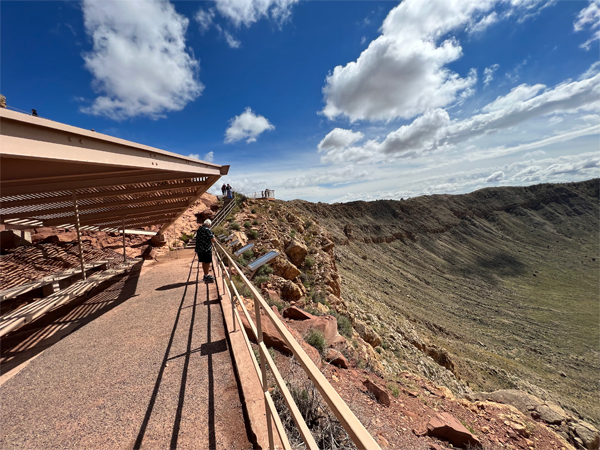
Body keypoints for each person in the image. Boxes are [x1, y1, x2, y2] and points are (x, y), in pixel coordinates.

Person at [195, 217, 215, 283]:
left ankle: (205, 274)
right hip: (206, 249)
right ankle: (206, 275)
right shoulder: (207, 229)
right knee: (207, 262)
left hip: (199, 249)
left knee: (203, 262)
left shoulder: (199, 229)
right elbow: (212, 239)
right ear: (209, 224)